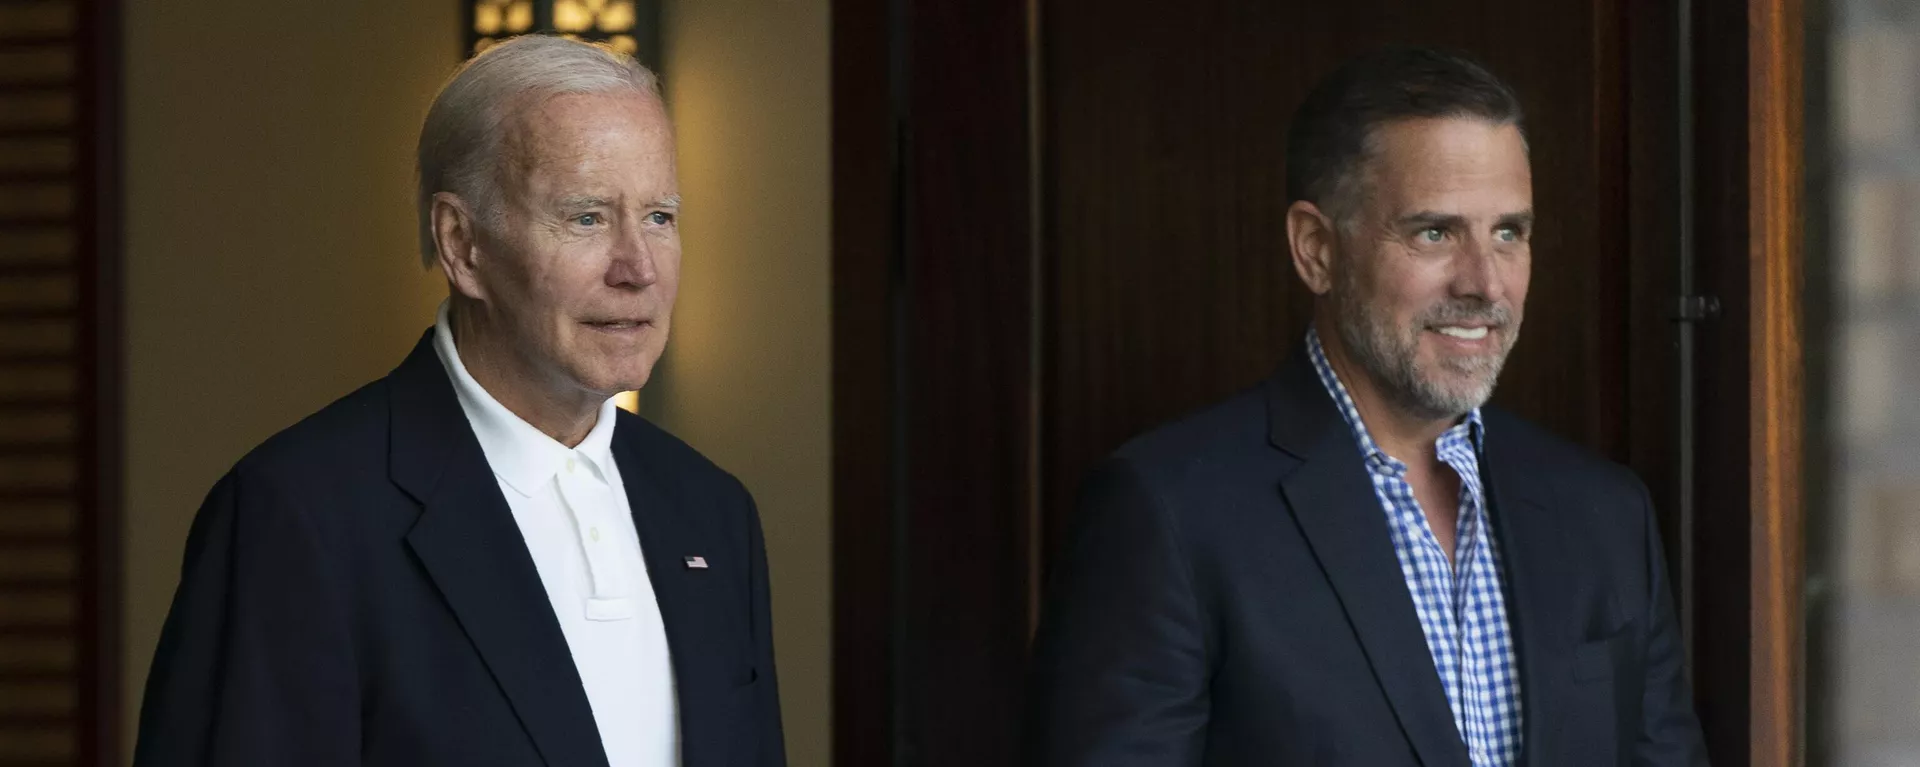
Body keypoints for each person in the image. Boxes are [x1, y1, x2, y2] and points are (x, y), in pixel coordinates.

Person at [1026, 47, 1706, 767]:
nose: (1484, 282)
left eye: (1509, 231)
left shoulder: (1605, 514)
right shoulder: (1167, 512)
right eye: (1435, 231)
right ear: (1316, 249)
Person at [134, 35, 785, 767]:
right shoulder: (298, 515)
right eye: (587, 218)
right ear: (461, 243)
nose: (637, 268)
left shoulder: (712, 510)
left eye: (660, 217)